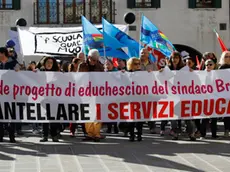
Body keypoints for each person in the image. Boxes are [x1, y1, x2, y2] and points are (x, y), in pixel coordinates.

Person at [78, 49, 105, 142]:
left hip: (97, 92)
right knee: (88, 113)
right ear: (89, 58)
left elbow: (105, 78)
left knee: (97, 113)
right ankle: (89, 133)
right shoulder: (82, 65)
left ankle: (97, 134)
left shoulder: (100, 66)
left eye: (96, 60)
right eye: (93, 60)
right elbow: (78, 78)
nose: (95, 62)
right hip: (86, 92)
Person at [0, 47, 19, 143]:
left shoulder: (13, 63)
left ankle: (12, 135)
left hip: (11, 94)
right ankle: (1, 135)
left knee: (12, 115)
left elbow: (21, 73)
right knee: (1, 115)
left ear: (3, 53)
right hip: (1, 94)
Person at [39, 57, 59, 142]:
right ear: (44, 63)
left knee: (53, 117)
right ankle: (45, 135)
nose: (49, 64)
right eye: (48, 62)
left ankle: (54, 135)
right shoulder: (40, 72)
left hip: (54, 98)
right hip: (43, 98)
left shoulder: (56, 73)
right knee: (45, 117)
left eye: (51, 62)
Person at [140, 48, 158, 134]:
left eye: (145, 53)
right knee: (139, 109)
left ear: (148, 55)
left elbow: (157, 77)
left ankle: (152, 127)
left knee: (150, 109)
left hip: (150, 90)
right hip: (138, 91)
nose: (143, 54)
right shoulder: (136, 63)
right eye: (141, 53)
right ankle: (138, 127)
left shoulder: (153, 65)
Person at [126, 57, 143, 141]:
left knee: (140, 118)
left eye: (139, 63)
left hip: (140, 99)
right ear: (130, 65)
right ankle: (131, 134)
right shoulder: (126, 74)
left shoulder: (143, 74)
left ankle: (139, 134)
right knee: (131, 118)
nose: (138, 65)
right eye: (135, 64)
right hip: (130, 99)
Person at [104, 59, 119, 134]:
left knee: (115, 111)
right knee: (108, 112)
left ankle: (115, 127)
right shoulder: (103, 73)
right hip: (106, 95)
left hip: (115, 94)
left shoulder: (116, 72)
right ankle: (109, 127)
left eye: (109, 64)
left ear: (112, 65)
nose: (107, 65)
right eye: (106, 64)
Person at [219, 51, 230, 137]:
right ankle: (226, 130)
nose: (228, 58)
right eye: (226, 56)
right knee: (226, 113)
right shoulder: (221, 68)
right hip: (224, 93)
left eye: (229, 56)